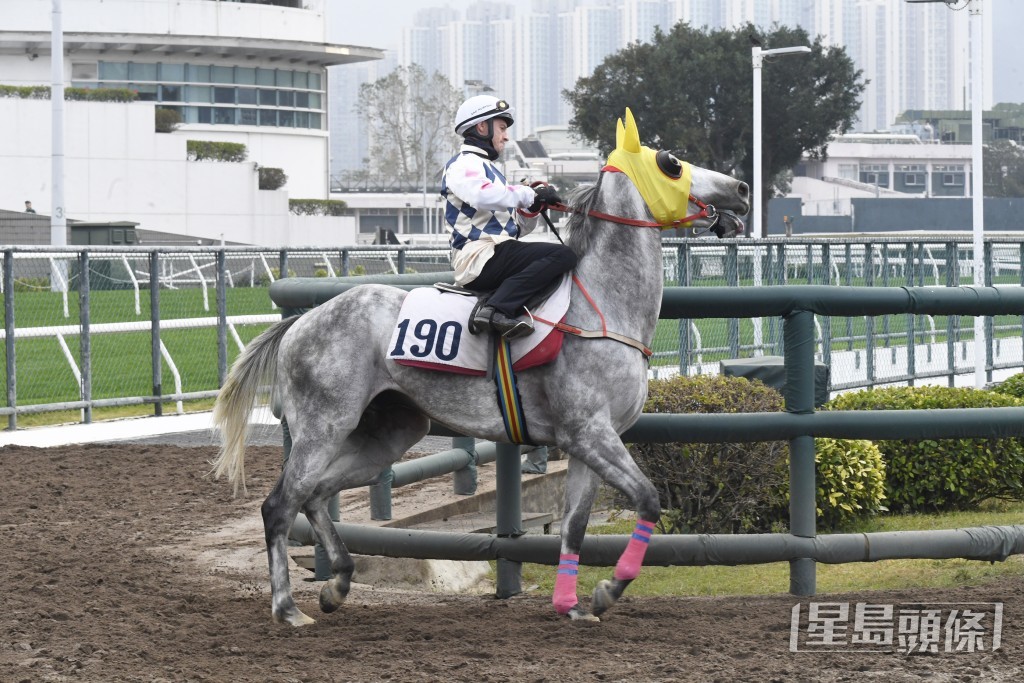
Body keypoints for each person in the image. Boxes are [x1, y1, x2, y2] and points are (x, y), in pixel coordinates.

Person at [441, 95, 576, 340]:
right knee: (562, 254)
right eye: (502, 128)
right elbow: (482, 196)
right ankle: (495, 309)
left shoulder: (491, 170)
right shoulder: (463, 164)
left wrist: (533, 207)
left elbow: (515, 230)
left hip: (495, 252)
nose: (506, 136)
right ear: (482, 127)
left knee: (560, 254)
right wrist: (527, 194)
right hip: (477, 257)